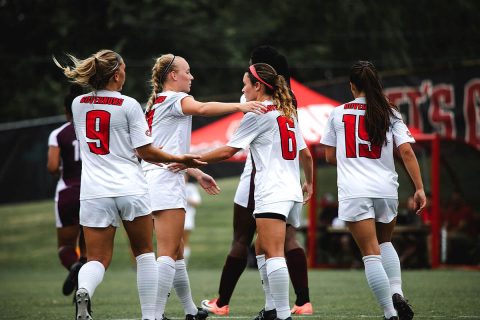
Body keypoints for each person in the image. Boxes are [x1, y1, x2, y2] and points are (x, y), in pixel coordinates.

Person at [53, 49, 204, 320]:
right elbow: (146, 152)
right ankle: (150, 316)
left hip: (93, 192)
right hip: (130, 188)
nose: (125, 73)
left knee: (97, 258)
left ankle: (84, 288)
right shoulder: (129, 105)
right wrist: (180, 158)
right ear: (116, 74)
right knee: (145, 253)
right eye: (123, 68)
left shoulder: (78, 105)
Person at [143, 53, 266, 320]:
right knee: (166, 252)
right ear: (173, 75)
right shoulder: (175, 98)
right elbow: (201, 108)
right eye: (187, 71)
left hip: (154, 179)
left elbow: (167, 150)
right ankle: (153, 316)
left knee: (175, 253)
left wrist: (197, 173)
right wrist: (239, 107)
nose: (192, 76)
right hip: (165, 182)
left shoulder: (156, 103)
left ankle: (190, 311)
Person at [201, 45, 314, 319]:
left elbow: (228, 151)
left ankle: (279, 314)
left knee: (271, 251)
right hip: (291, 190)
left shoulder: (258, 111)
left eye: (246, 84)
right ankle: (275, 309)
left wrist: (191, 159)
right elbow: (307, 155)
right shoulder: (287, 108)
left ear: (259, 85)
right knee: (267, 247)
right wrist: (309, 183)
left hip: (270, 188)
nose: (243, 90)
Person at [320, 60, 426, 320]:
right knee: (385, 242)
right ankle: (397, 291)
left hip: (355, 190)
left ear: (352, 86)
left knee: (370, 253)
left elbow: (329, 156)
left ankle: (390, 313)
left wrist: (350, 158)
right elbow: (407, 152)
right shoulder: (390, 112)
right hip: (386, 189)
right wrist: (420, 189)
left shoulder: (338, 113)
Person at [47, 84, 87, 297]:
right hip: (93, 192)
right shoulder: (93, 129)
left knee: (65, 245)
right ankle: (84, 287)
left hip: (68, 193)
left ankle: (73, 267)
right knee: (88, 248)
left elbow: (52, 167)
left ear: (66, 111)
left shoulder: (58, 134)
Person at [183, 174, 202, 263]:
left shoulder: (191, 187)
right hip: (172, 218)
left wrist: (186, 198)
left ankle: (183, 262)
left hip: (187, 218)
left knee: (184, 241)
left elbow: (197, 202)